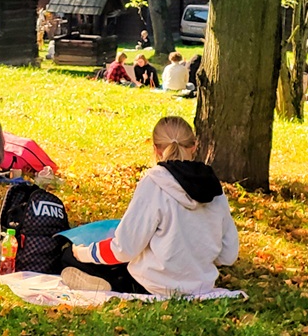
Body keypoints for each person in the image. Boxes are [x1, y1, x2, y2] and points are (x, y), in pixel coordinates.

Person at [61, 116, 239, 296]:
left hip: (152, 285)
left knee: (69, 256)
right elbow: (228, 254)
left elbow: (125, 248)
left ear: (156, 149)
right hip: (201, 285)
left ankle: (108, 282)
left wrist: (83, 253)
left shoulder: (154, 182)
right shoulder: (214, 187)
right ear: (194, 146)